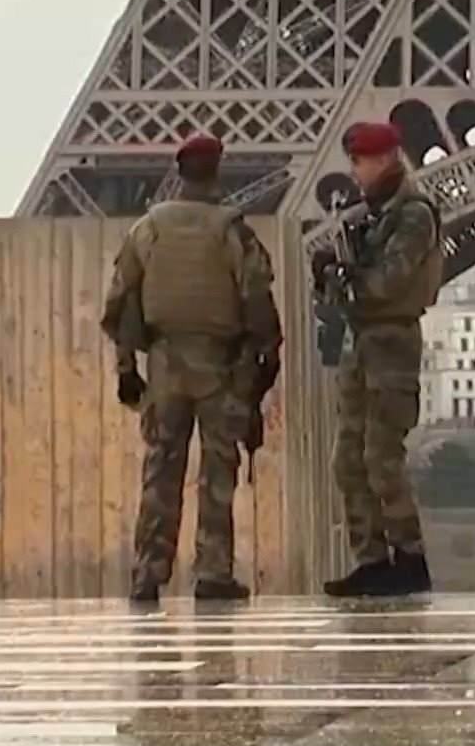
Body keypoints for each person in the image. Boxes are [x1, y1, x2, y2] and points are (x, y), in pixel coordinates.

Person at [102, 134, 283, 604]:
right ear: (217, 172)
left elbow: (121, 299)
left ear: (178, 172)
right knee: (218, 471)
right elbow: (256, 296)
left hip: (166, 364)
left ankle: (148, 572)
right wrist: (267, 354)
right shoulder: (232, 231)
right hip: (220, 365)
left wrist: (126, 365)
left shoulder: (148, 228)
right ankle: (213, 570)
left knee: (161, 470)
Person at [315, 121, 446, 598]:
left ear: (387, 158)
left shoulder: (413, 215)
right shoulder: (368, 215)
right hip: (362, 340)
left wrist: (348, 276)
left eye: (360, 161)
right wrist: (331, 274)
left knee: (380, 455)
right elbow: (346, 293)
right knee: (347, 459)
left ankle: (409, 556)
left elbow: (390, 280)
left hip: (391, 340)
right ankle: (371, 559)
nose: (354, 171)